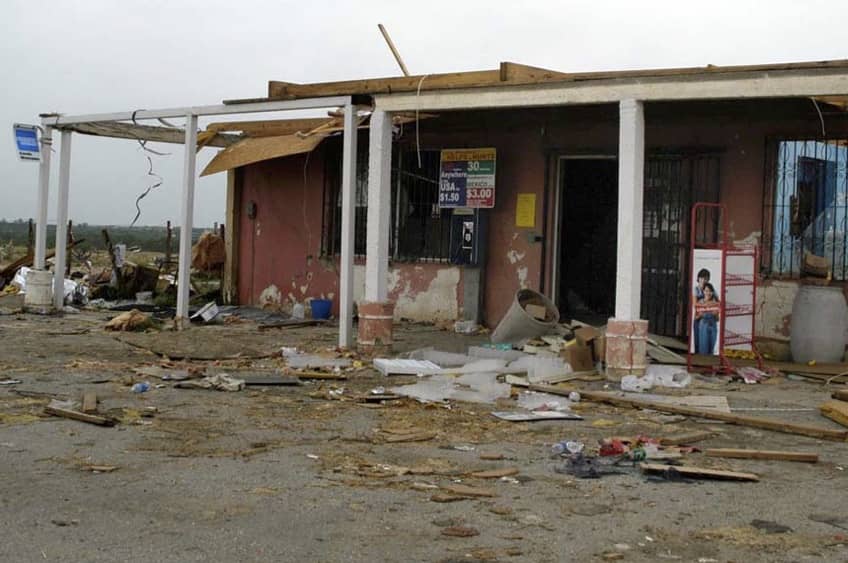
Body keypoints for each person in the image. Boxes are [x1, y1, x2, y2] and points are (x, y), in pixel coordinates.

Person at [695, 282, 720, 354]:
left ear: (712, 292)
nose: (708, 293)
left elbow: (717, 319)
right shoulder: (700, 302)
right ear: (703, 292)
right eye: (706, 291)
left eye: (710, 291)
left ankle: (710, 363)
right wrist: (701, 314)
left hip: (713, 326)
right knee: (703, 348)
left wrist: (715, 314)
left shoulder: (715, 303)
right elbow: (695, 318)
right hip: (703, 325)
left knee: (711, 349)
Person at [692, 269, 711, 351]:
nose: (703, 280)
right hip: (698, 317)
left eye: (706, 279)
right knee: (697, 339)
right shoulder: (696, 289)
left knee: (705, 341)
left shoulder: (708, 290)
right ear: (698, 278)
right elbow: (695, 303)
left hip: (707, 318)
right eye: (702, 278)